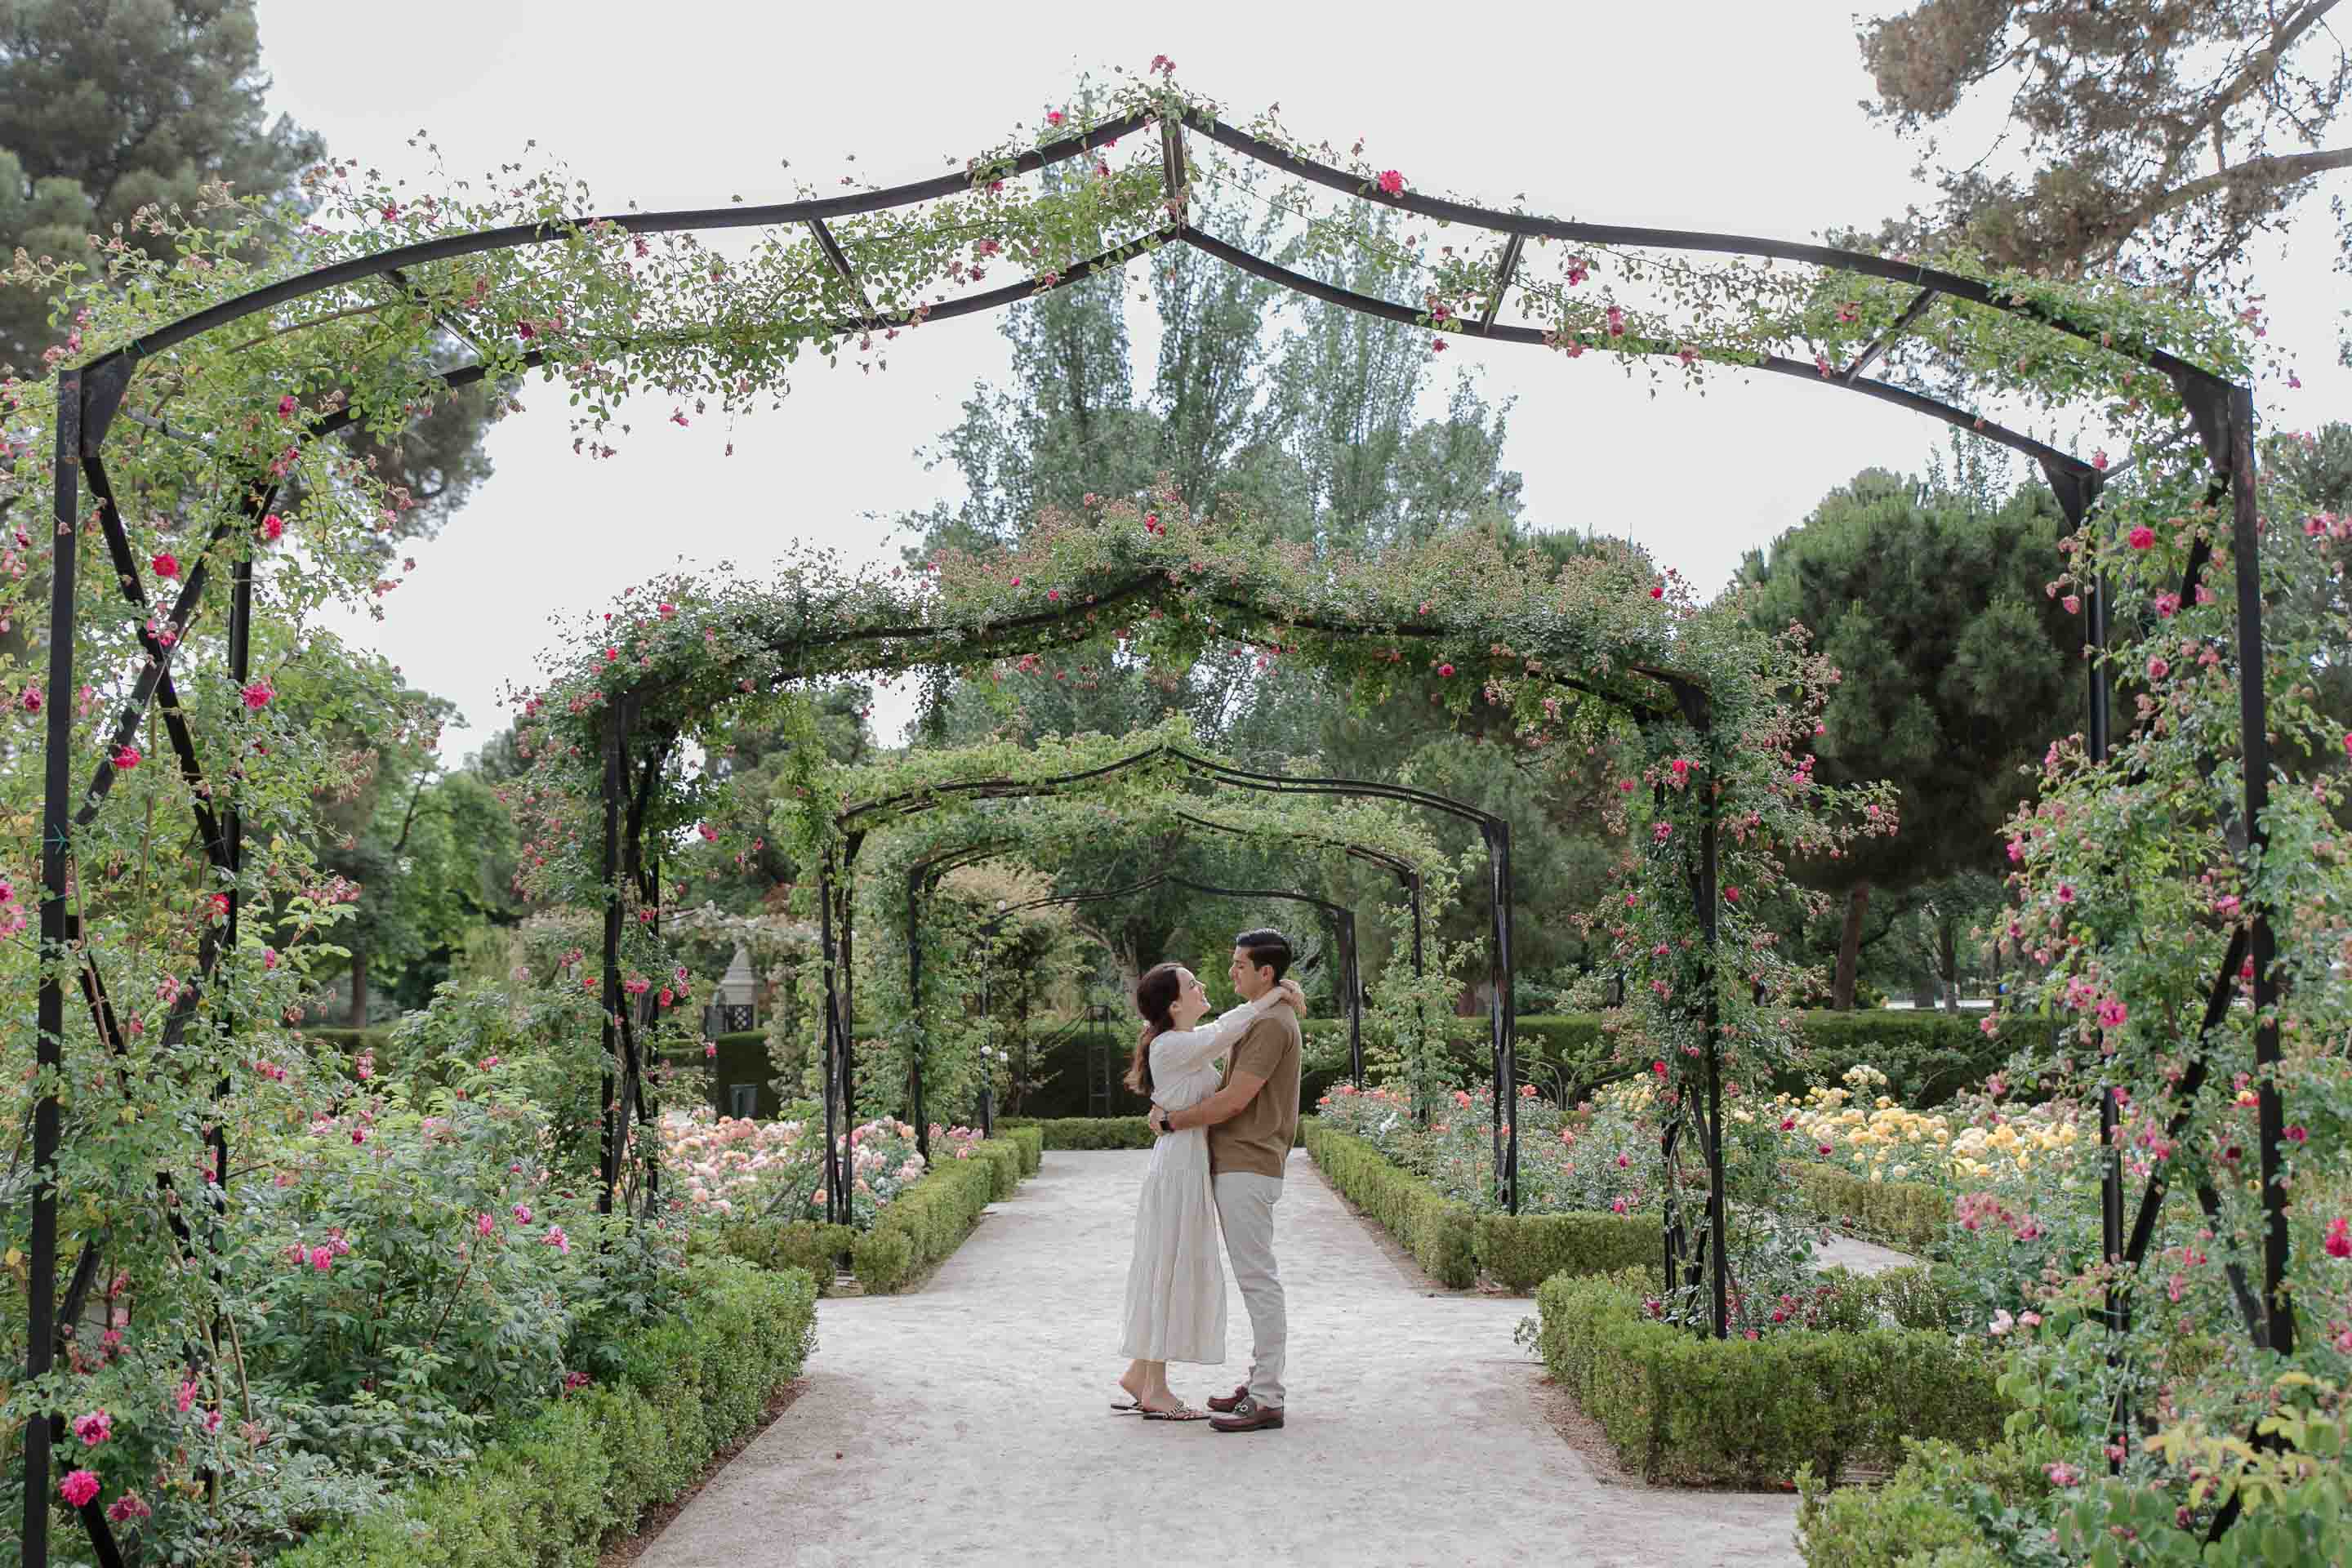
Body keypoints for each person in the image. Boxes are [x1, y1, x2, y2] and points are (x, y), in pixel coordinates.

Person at [1115, 960, 1303, 1421]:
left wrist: (1276, 997)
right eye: (1192, 984)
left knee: (1171, 1260)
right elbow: (1226, 1028)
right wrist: (1275, 995)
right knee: (1171, 1263)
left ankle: (1142, 1374)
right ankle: (1155, 1388)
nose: (1204, 985)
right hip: (1179, 1165)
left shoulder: (1183, 1046)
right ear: (1175, 1004)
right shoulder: (1174, 1044)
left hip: (1186, 1161)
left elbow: (1225, 1041)